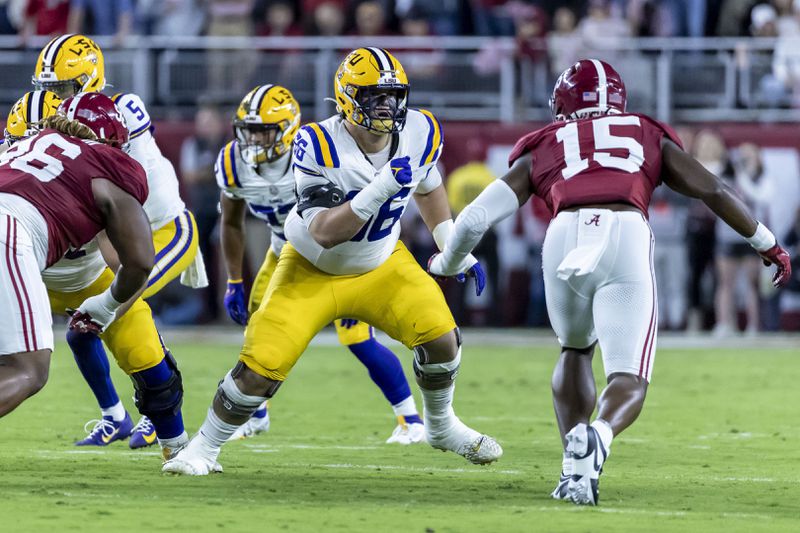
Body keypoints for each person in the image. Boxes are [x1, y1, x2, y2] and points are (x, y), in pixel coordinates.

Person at [429, 59, 791, 505]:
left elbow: (476, 216)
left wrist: (450, 260)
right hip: (623, 230)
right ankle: (599, 434)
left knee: (575, 348)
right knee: (629, 373)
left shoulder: (546, 142)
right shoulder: (642, 130)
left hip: (563, 236)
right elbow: (711, 188)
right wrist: (767, 243)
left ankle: (573, 467)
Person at [163, 47, 503, 475]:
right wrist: (379, 189)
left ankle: (440, 425)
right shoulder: (316, 142)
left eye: (392, 95)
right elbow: (325, 228)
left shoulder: (420, 128)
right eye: (373, 96)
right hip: (311, 267)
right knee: (259, 370)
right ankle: (204, 448)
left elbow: (429, 185)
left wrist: (451, 243)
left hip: (381, 262)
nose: (386, 106)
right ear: (346, 98)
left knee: (442, 339)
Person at [216, 84, 424, 443]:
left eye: (264, 131)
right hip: (285, 252)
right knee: (259, 331)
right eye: (249, 131)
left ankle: (411, 420)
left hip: (340, 253)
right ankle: (255, 415)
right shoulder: (233, 163)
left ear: (286, 128)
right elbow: (231, 221)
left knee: (357, 338)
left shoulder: (315, 151)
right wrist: (234, 279)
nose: (254, 141)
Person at [32, 34, 207, 449]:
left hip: (161, 229)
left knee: (119, 307)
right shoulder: (58, 120)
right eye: (48, 90)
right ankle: (118, 416)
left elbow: (113, 198)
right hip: (113, 234)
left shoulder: (119, 112)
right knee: (85, 329)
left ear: (89, 81)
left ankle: (156, 411)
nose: (54, 100)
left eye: (61, 89)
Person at [0, 93, 150, 421]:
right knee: (28, 370)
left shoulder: (31, 142)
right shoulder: (110, 163)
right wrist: (105, 306)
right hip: (8, 228)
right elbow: (140, 262)